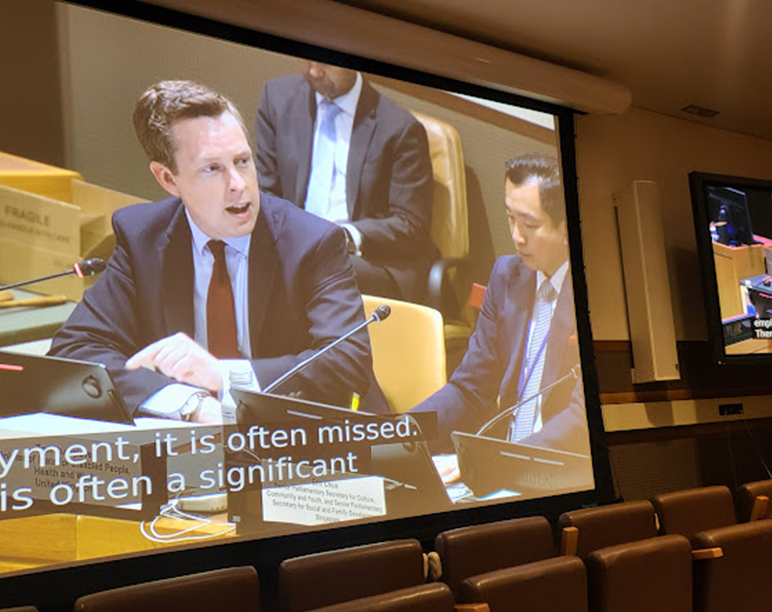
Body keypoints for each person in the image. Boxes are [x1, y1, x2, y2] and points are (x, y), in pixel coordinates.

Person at [50, 80, 381, 424]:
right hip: (192, 444)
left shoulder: (312, 242)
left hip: (302, 440)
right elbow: (76, 350)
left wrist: (221, 376)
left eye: (242, 161)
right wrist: (188, 402)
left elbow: (347, 362)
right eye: (213, 168)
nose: (238, 183)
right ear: (168, 179)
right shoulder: (142, 237)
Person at [412, 154, 586, 481]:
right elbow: (470, 390)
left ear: (566, 228)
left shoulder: (594, 293)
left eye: (530, 225)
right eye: (510, 219)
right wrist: (401, 433)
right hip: (499, 467)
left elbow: (581, 418)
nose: (517, 236)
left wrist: (494, 463)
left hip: (555, 474)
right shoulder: (506, 275)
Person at [256, 62, 437, 303]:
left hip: (367, 259)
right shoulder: (277, 99)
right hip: (293, 243)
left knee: (310, 269)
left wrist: (346, 237)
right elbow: (265, 192)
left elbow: (411, 225)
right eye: (308, 59)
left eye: (325, 64)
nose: (314, 72)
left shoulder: (400, 129)